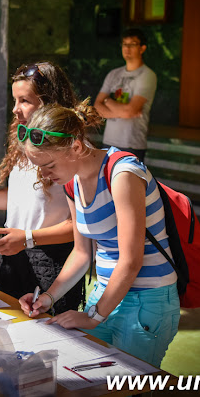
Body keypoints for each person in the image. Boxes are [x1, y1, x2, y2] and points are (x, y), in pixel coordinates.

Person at [19, 103, 180, 367]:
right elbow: (82, 252)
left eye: (48, 165)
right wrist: (48, 297)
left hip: (146, 301)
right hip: (104, 294)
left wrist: (94, 316)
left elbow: (130, 261)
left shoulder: (123, 174)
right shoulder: (72, 181)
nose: (44, 175)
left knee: (126, 386)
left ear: (77, 148)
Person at [0, 62, 86, 314]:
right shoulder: (24, 138)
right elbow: (20, 199)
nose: (15, 109)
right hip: (14, 254)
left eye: (24, 100)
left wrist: (27, 239)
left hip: (51, 264)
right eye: (15, 100)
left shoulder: (69, 150)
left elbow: (78, 228)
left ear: (50, 102)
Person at [94, 28, 157, 162]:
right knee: (107, 182)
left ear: (142, 48)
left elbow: (131, 110)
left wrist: (108, 102)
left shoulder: (147, 75)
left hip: (132, 143)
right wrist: (123, 112)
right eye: (124, 44)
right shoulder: (113, 74)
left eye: (132, 44)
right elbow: (97, 107)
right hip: (109, 142)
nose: (127, 48)